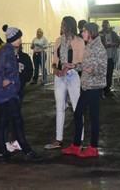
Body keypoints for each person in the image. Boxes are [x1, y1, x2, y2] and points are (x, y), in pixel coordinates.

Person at [0, 25, 39, 163]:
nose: (20, 40)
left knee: (4, 122)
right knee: (16, 121)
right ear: (12, 38)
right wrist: (4, 83)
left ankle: (3, 152)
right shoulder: (6, 52)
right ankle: (26, 150)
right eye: (18, 37)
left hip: (7, 93)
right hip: (8, 94)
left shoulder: (6, 51)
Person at [62, 22, 107, 158]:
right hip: (87, 86)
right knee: (79, 114)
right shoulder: (89, 46)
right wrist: (75, 66)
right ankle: (77, 145)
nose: (82, 33)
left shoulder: (99, 48)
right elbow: (86, 65)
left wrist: (92, 70)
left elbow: (103, 69)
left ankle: (92, 147)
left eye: (84, 31)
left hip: (94, 87)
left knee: (92, 117)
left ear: (91, 32)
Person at [45, 16, 85, 150]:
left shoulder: (79, 41)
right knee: (59, 107)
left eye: (63, 24)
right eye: (61, 24)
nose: (61, 26)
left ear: (70, 26)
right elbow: (55, 60)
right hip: (59, 76)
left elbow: (81, 61)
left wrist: (68, 67)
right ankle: (58, 139)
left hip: (73, 75)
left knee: (76, 107)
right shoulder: (58, 41)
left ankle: (80, 139)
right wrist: (56, 69)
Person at [100, 20, 120, 98]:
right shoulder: (100, 34)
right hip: (102, 58)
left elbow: (118, 42)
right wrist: (103, 46)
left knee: (109, 74)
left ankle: (107, 90)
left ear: (109, 25)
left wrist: (113, 44)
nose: (105, 27)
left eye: (106, 25)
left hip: (111, 57)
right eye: (103, 25)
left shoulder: (113, 34)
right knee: (102, 74)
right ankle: (102, 90)